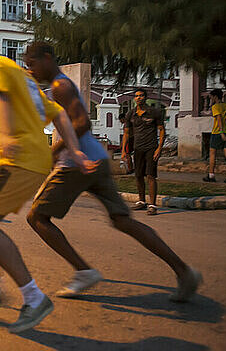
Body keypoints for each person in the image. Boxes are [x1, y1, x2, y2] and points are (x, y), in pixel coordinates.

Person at [23, 42, 202, 302]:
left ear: (48, 58)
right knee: (122, 220)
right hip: (96, 158)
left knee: (37, 218)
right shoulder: (57, 86)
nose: (31, 70)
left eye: (32, 64)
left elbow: (81, 122)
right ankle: (184, 272)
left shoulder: (61, 86)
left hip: (76, 164)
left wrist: (53, 152)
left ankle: (84, 271)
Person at [0, 33, 96, 333]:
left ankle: (34, 298)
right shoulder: (19, 73)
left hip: (19, 157)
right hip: (34, 159)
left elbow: (2, 98)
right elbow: (59, 115)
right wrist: (77, 151)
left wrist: (4, 137)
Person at [121, 89, 165, 216]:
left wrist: (159, 148)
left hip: (151, 148)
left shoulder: (154, 112)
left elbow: (161, 130)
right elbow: (126, 133)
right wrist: (124, 150)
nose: (138, 98)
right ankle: (141, 201)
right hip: (137, 148)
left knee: (151, 175)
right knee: (138, 175)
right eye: (136, 96)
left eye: (141, 96)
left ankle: (152, 205)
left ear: (145, 97)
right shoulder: (131, 114)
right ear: (134, 98)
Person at [203, 89, 226, 183]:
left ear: (215, 97)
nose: (211, 99)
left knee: (212, 154)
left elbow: (219, 119)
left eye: (212, 97)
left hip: (217, 133)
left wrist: (221, 132)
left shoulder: (216, 107)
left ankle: (211, 175)